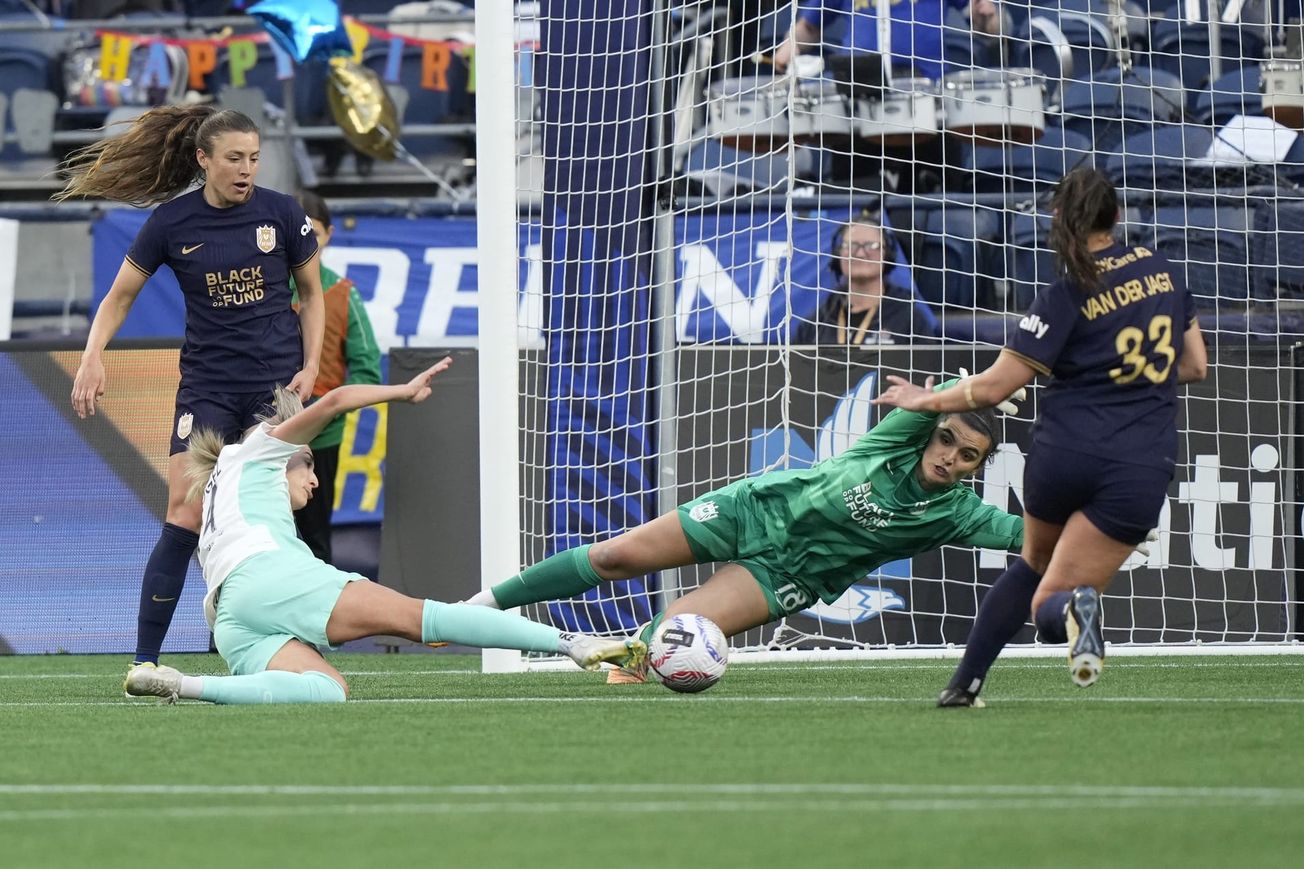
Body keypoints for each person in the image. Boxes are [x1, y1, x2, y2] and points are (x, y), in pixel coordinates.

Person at [123, 358, 646, 704]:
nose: (314, 478)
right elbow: (334, 401)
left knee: (326, 689)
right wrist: (404, 391)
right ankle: (570, 642)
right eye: (308, 463)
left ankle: (183, 684)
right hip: (270, 579)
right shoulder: (261, 447)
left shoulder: (221, 482)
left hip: (231, 617)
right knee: (426, 619)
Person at [873, 167, 1208, 706]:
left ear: (1057, 218)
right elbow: (1194, 366)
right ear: (1117, 216)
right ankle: (1075, 607)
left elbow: (995, 387)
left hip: (1065, 453)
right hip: (1139, 463)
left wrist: (923, 399)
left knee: (1034, 567)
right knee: (1056, 591)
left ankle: (965, 684)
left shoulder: (1065, 294)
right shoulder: (1163, 272)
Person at [467, 388, 1026, 683]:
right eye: (946, 440)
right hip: (751, 511)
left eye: (967, 456)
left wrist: (1084, 516)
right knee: (616, 555)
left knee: (660, 645)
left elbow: (1030, 537)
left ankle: (630, 662)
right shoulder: (896, 442)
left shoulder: (961, 515)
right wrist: (980, 389)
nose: (949, 457)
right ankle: (479, 607)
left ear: (978, 470)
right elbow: (938, 400)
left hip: (785, 575)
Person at [55, 105, 326, 672]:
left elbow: (311, 294)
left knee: (277, 514)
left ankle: (283, 647)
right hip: (208, 388)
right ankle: (145, 661)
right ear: (204, 159)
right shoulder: (171, 223)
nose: (246, 169)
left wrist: (310, 365)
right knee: (184, 512)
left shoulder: (282, 213)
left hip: (273, 389)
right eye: (234, 158)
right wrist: (92, 356)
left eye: (254, 158)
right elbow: (119, 297)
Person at [290, 191, 383, 564]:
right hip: (259, 433)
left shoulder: (344, 294)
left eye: (312, 233)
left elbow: (367, 368)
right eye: (295, 231)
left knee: (315, 540)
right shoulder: (260, 290)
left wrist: (328, 410)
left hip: (323, 439)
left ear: (328, 234)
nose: (304, 240)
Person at [792, 214, 938, 345]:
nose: (860, 254)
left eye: (871, 246)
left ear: (887, 255)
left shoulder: (910, 320)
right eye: (851, 245)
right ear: (838, 255)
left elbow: (929, 366)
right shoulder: (817, 322)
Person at [773, 0, 1003, 83]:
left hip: (928, 91)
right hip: (859, 89)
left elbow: (992, 30)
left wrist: (988, 18)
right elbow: (809, 27)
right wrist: (790, 46)